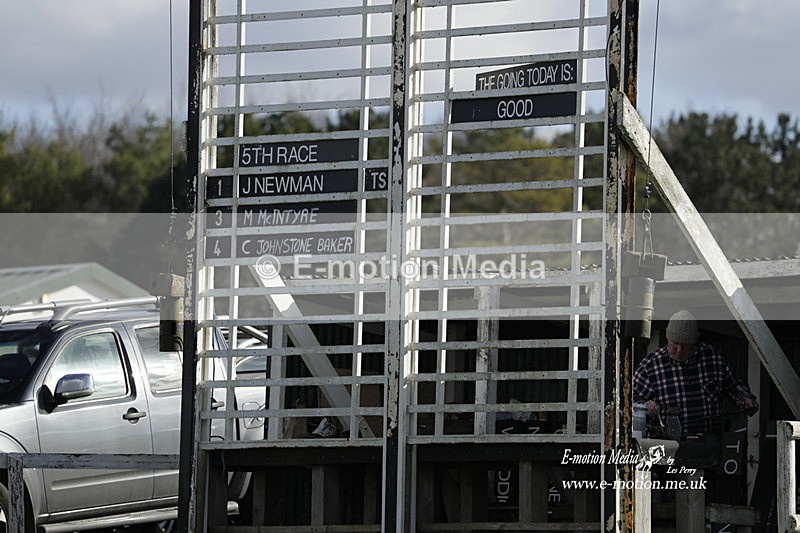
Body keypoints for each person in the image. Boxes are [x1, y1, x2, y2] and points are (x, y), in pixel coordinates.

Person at [633, 310, 758, 439]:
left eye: (686, 345)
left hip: (710, 443)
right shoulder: (650, 366)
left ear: (695, 341)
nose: (680, 350)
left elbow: (734, 387)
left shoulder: (714, 360)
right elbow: (629, 401)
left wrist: (746, 399)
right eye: (675, 343)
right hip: (667, 446)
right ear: (668, 338)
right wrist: (644, 406)